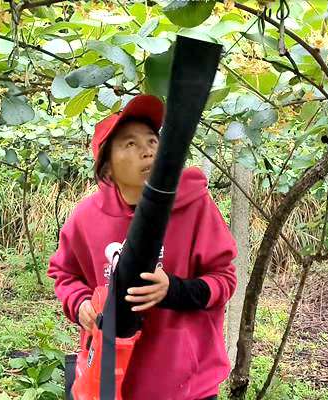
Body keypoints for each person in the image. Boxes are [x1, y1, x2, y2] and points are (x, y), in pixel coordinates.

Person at [47, 94, 237, 400]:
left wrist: (172, 290)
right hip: (112, 378)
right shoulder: (86, 218)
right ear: (106, 167)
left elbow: (223, 280)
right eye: (130, 144)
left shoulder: (195, 207)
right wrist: (80, 303)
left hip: (186, 385)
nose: (147, 152)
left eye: (152, 141)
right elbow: (64, 274)